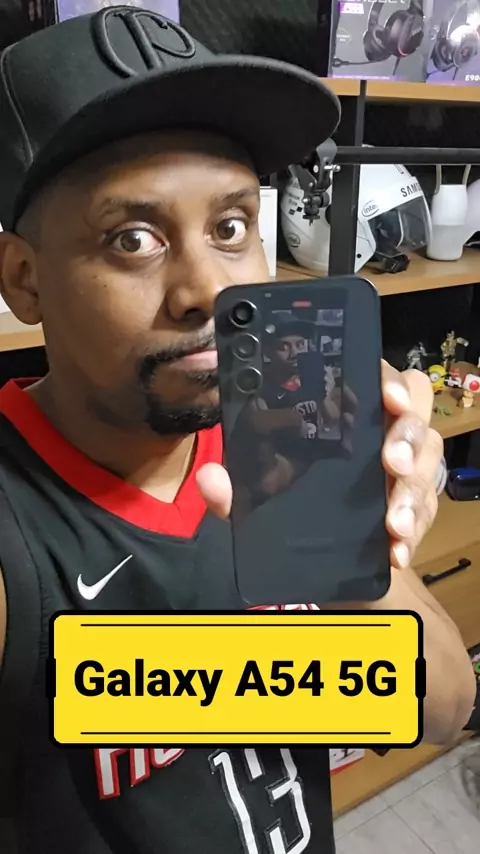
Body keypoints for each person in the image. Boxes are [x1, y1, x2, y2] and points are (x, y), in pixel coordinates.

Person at [0, 8, 475, 854]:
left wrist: (361, 555)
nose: (206, 290)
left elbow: (443, 708)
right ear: (24, 279)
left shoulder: (291, 436)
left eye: (229, 228)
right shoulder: (18, 530)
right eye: (133, 238)